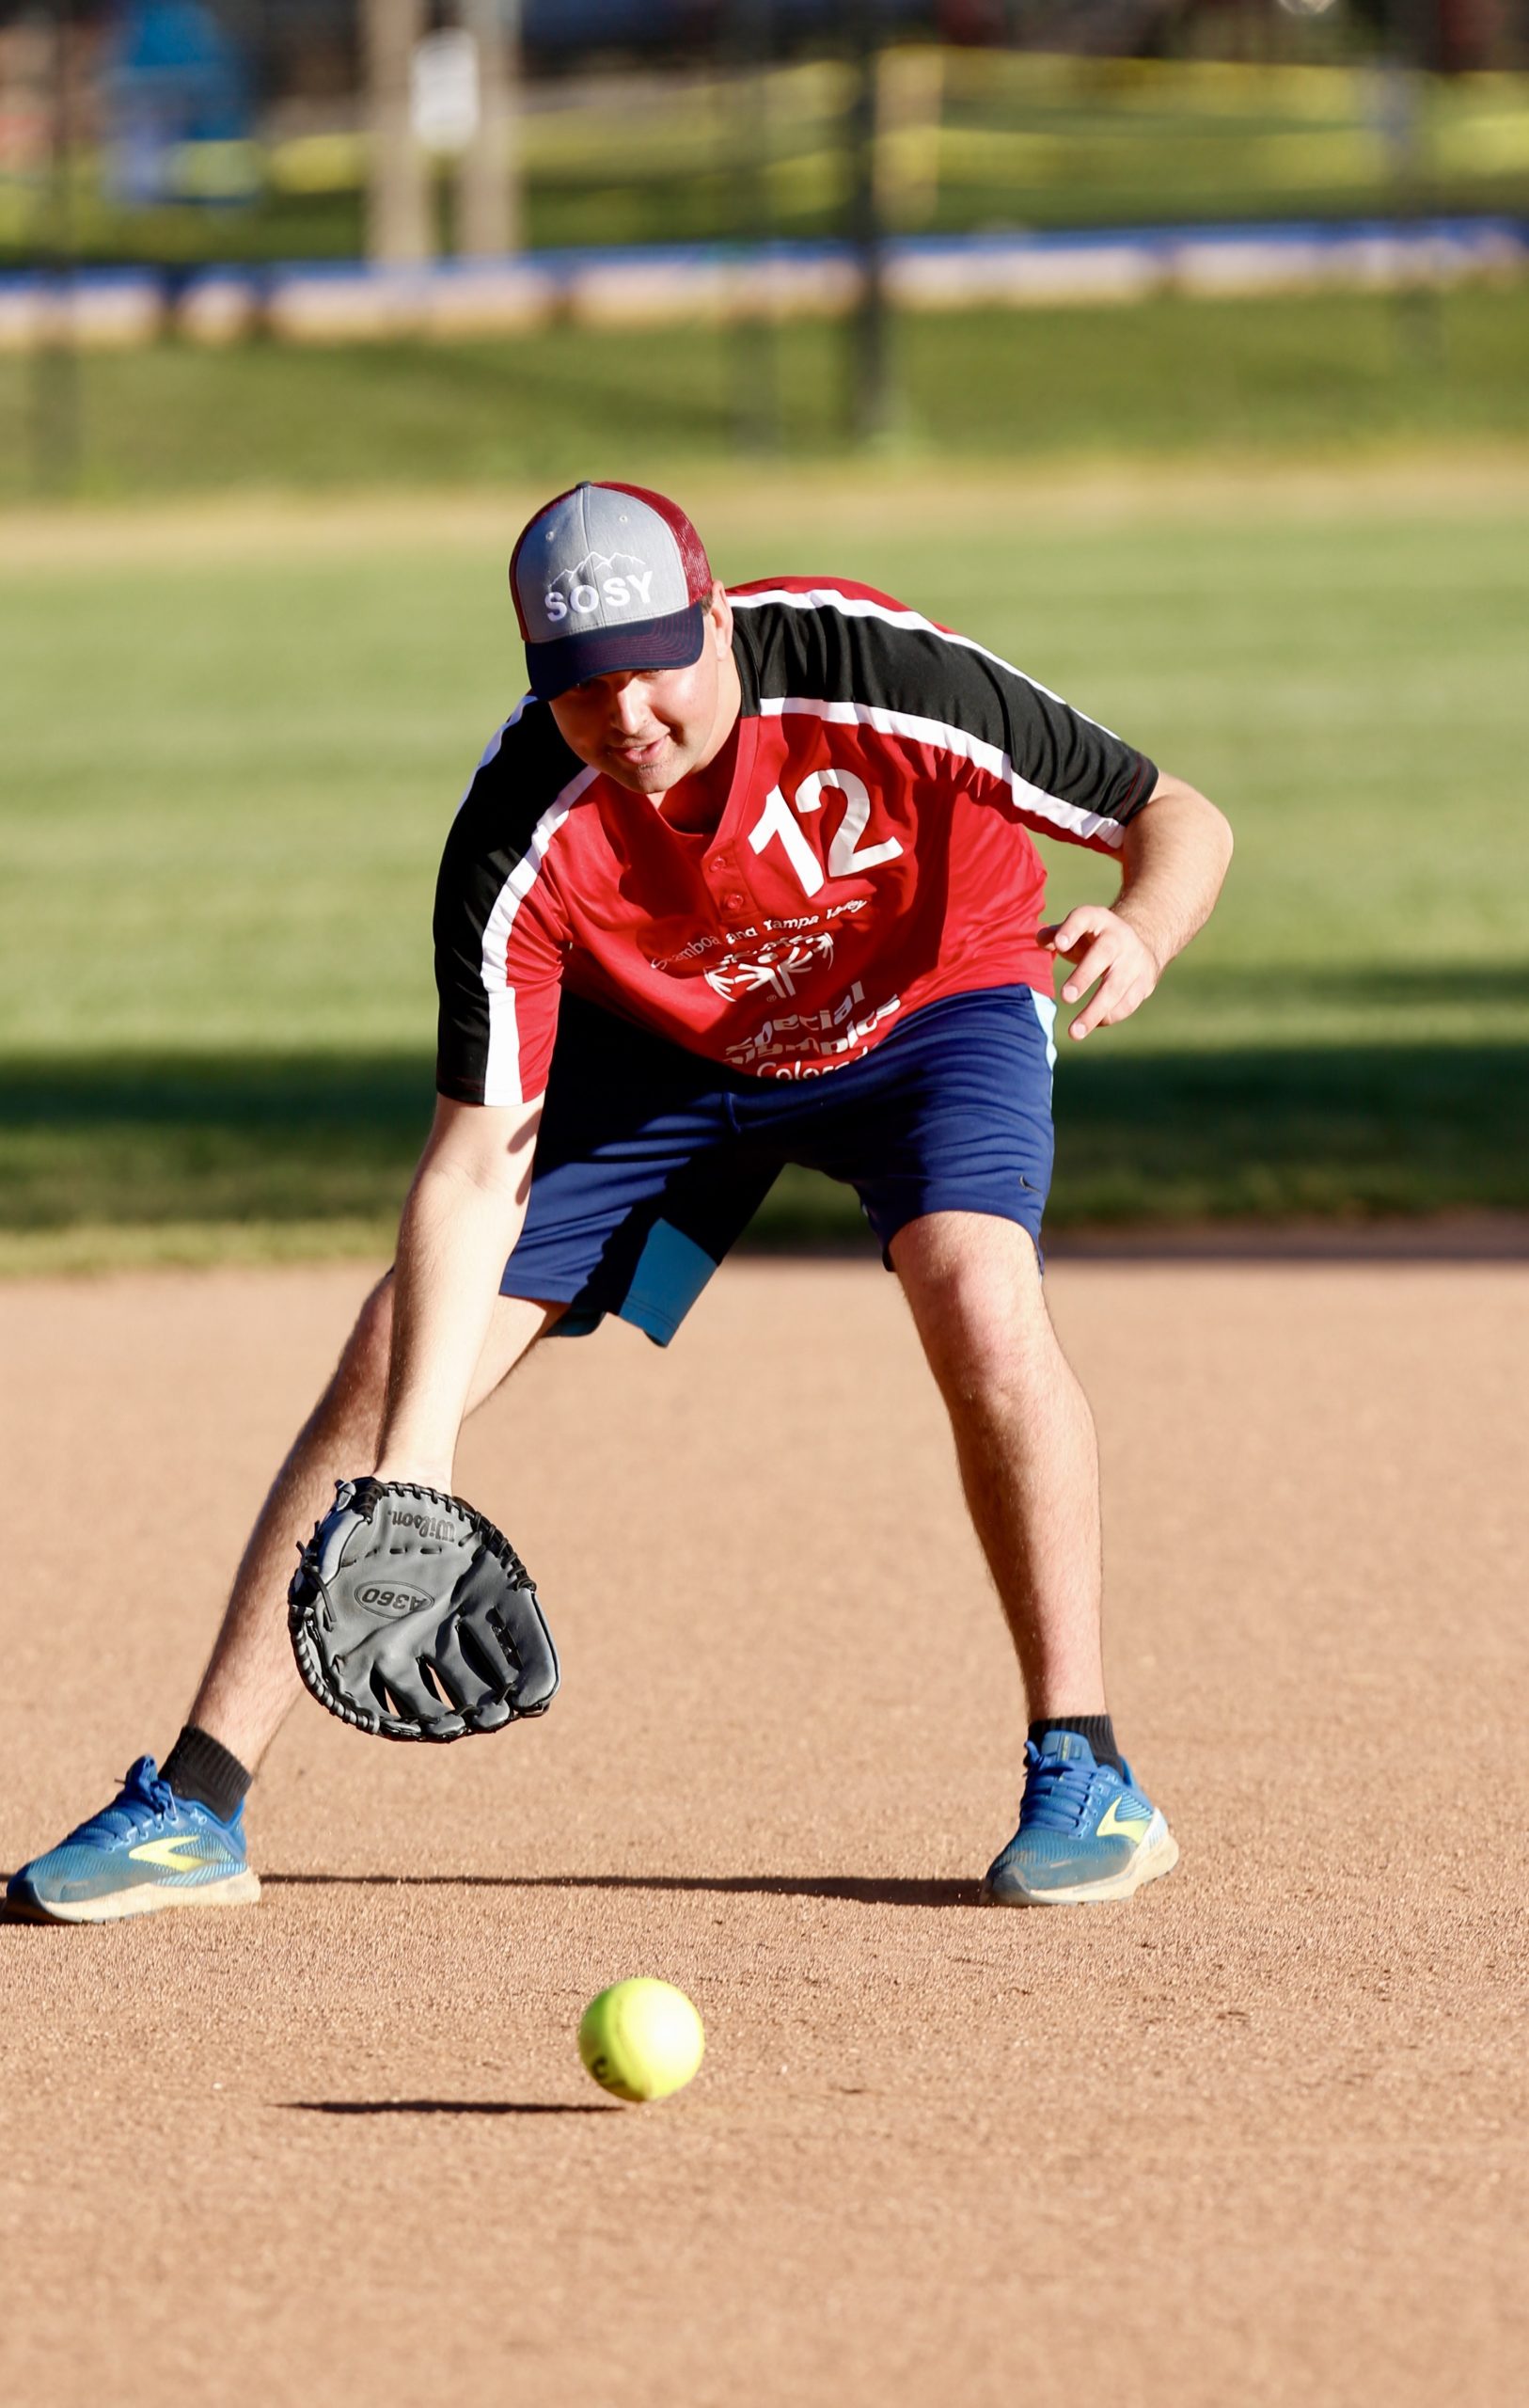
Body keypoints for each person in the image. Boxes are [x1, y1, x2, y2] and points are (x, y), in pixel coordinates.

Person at [8, 480, 1232, 1925]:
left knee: (974, 1284)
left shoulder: (876, 672)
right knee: (398, 1344)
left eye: (653, 664)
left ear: (713, 620)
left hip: (929, 1003)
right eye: (581, 687)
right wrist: (412, 1476)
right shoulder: (519, 825)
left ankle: (1084, 1769)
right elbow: (475, 1161)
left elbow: (1170, 811)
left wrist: (1141, 930)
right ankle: (194, 1810)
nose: (626, 713)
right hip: (666, 1056)